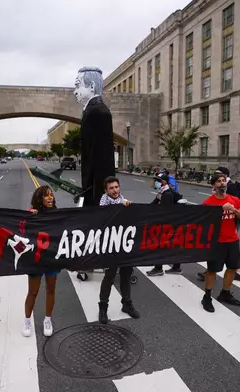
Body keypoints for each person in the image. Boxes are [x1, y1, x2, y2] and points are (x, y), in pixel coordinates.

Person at [201, 174, 240, 313]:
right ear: (213, 186)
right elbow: (202, 225)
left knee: (233, 268)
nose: (222, 183)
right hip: (217, 243)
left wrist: (234, 210)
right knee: (212, 271)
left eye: (224, 181)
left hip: (232, 241)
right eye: (218, 181)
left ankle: (225, 293)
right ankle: (207, 297)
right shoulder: (208, 203)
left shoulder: (234, 200)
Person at [98, 176, 140, 323]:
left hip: (124, 245)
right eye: (111, 188)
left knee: (126, 275)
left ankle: (127, 304)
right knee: (109, 277)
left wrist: (129, 209)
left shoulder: (125, 202)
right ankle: (103, 308)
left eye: (117, 187)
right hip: (110, 246)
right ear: (106, 190)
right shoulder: (103, 205)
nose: (115, 190)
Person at [73, 66, 115, 206]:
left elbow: (100, 160)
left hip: (95, 195)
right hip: (92, 191)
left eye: (77, 86)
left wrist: (95, 199)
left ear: (91, 86)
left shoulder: (98, 112)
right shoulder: (92, 111)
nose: (75, 91)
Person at [22, 185, 61, 337]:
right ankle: (26, 320)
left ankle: (47, 319)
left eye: (51, 195)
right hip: (36, 259)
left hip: (51, 258)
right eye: (46, 195)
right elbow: (22, 230)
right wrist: (30, 216)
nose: (50, 197)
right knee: (33, 291)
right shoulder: (32, 214)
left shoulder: (57, 214)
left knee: (51, 290)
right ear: (40, 199)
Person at [198, 166, 240, 282]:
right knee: (222, 252)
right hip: (220, 224)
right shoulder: (216, 191)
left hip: (232, 220)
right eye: (217, 179)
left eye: (221, 177)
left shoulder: (232, 188)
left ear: (225, 176)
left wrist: (234, 213)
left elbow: (238, 205)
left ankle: (238, 272)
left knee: (230, 249)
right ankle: (212, 271)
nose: (220, 181)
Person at [146, 173, 182, 277]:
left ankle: (158, 268)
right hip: (166, 224)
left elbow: (165, 212)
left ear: (164, 182)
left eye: (157, 180)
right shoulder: (162, 193)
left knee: (160, 246)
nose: (155, 182)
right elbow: (153, 204)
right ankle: (176, 267)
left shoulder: (167, 195)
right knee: (171, 246)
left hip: (167, 225)